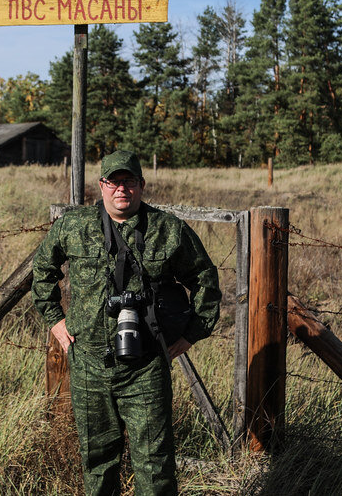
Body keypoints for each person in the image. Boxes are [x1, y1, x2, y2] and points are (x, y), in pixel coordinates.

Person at [32, 150, 222, 496]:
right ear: (102, 185)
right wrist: (55, 319)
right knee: (98, 461)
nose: (121, 189)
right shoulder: (75, 226)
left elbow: (205, 279)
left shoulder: (168, 230)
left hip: (146, 368)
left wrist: (191, 335)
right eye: (113, 182)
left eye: (129, 181)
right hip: (90, 365)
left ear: (141, 185)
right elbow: (43, 269)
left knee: (155, 465)